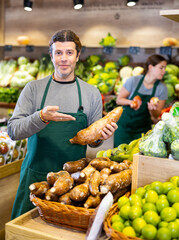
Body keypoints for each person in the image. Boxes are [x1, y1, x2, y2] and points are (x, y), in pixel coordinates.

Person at [7, 30, 118, 219]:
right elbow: (13, 131)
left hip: (74, 183)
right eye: (58, 53)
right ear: (51, 56)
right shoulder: (33, 89)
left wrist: (100, 138)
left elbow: (92, 142)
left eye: (69, 53)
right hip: (36, 175)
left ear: (78, 56)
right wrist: (40, 116)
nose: (64, 59)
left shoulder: (91, 93)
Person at [114, 54, 168, 147]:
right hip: (123, 128)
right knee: (118, 156)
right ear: (151, 67)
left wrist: (152, 110)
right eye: (161, 68)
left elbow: (156, 115)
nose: (164, 71)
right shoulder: (133, 81)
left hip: (142, 131)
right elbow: (119, 100)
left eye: (165, 68)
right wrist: (131, 102)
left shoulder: (162, 88)